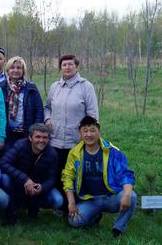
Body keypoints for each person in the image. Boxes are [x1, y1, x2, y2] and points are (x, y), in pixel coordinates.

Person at [62, 116, 136, 237]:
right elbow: (68, 177)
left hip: (111, 197)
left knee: (132, 196)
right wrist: (71, 203)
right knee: (74, 221)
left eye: (92, 130)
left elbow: (125, 173)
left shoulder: (112, 151)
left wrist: (126, 194)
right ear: (80, 133)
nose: (89, 134)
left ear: (99, 132)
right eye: (85, 131)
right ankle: (95, 216)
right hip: (90, 199)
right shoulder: (74, 153)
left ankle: (118, 228)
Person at [44, 54, 98, 209]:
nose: (67, 67)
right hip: (56, 140)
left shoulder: (85, 86)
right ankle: (61, 206)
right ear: (60, 68)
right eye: (64, 65)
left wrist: (90, 136)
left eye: (70, 64)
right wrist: (48, 119)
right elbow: (47, 107)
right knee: (59, 174)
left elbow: (92, 113)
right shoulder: (55, 87)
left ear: (77, 67)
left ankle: (80, 205)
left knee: (77, 175)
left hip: (76, 142)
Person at [0, 123, 63, 224]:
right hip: (18, 182)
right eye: (37, 137)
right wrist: (24, 179)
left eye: (45, 137)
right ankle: (11, 211)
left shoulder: (52, 154)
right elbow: (3, 163)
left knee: (58, 200)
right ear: (30, 137)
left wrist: (42, 187)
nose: (41, 140)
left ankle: (32, 206)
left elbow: (52, 179)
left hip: (37, 185)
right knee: (5, 178)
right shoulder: (20, 145)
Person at [0, 56, 43, 148]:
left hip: (26, 133)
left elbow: (39, 110)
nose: (15, 70)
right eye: (12, 67)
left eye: (19, 68)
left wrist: (35, 132)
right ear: (8, 70)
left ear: (23, 70)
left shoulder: (31, 88)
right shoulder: (1, 87)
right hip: (7, 134)